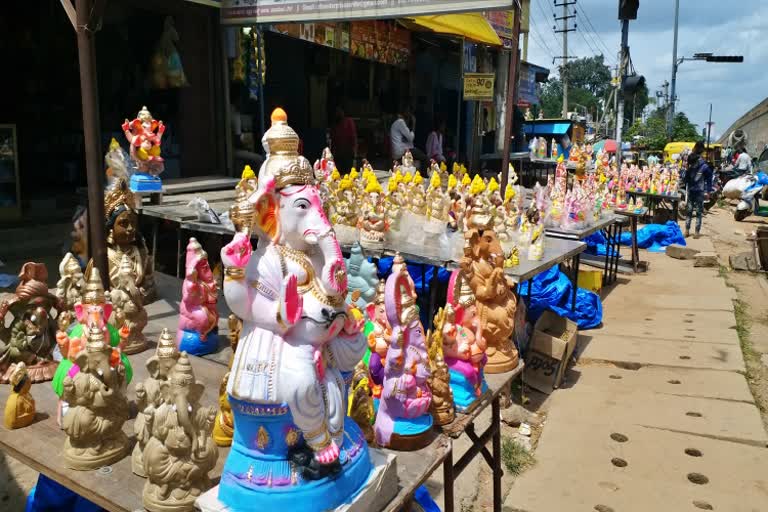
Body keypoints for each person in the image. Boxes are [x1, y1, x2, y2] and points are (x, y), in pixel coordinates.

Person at [683, 152, 714, 239]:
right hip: (691, 192)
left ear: (696, 161)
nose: (691, 165)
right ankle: (687, 231)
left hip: (700, 193)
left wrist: (708, 191)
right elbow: (685, 180)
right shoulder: (690, 168)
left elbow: (709, 180)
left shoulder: (704, 168)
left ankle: (697, 232)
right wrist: (685, 171)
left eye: (692, 163)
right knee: (688, 211)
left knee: (698, 212)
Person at [330, 106, 357, 174]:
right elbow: (333, 140)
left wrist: (354, 150)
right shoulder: (334, 125)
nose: (338, 113)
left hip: (348, 152)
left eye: (339, 111)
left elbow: (353, 136)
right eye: (336, 112)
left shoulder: (349, 121)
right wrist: (332, 154)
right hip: (338, 154)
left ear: (343, 112)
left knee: (348, 173)